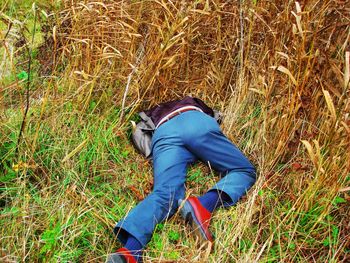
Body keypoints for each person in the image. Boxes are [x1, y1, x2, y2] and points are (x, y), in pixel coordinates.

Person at [107, 96, 256, 263]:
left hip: (163, 134)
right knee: (244, 170)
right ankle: (203, 205)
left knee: (165, 194)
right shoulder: (194, 103)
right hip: (194, 120)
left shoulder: (153, 114)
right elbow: (215, 121)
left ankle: (130, 251)